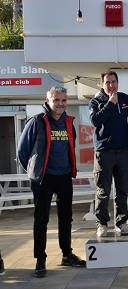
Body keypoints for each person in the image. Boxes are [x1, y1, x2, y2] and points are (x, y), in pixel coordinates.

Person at [17, 86, 86, 278]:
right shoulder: (37, 121)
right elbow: (22, 152)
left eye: (63, 101)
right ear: (48, 101)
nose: (60, 104)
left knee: (66, 218)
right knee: (42, 220)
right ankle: (40, 259)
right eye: (56, 100)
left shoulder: (68, 123)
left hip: (63, 176)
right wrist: (35, 171)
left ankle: (66, 255)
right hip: (43, 178)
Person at [89, 71, 128, 237]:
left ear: (117, 82)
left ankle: (121, 223)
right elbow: (95, 121)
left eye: (113, 82)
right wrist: (109, 104)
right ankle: (101, 224)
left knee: (122, 189)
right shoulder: (95, 102)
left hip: (122, 151)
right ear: (102, 84)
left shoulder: (124, 99)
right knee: (103, 190)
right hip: (104, 153)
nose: (111, 85)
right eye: (107, 82)